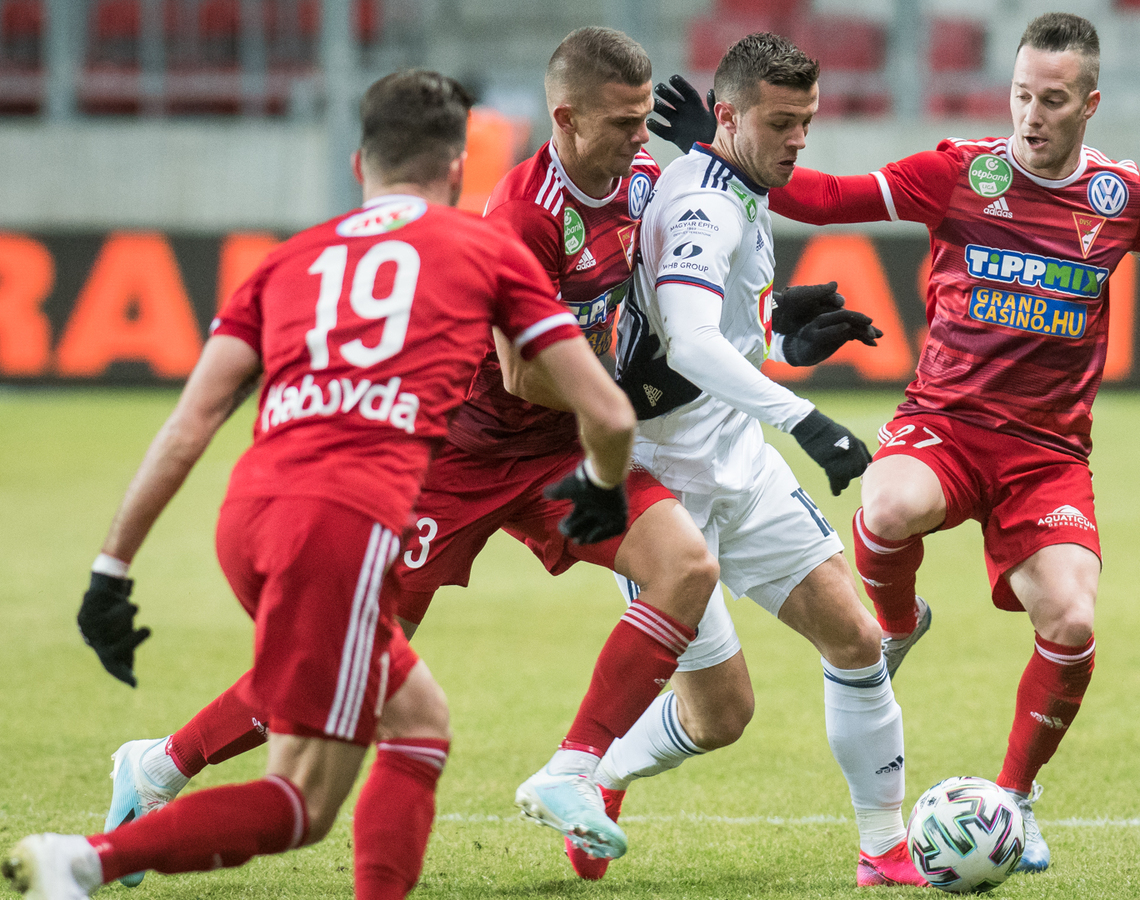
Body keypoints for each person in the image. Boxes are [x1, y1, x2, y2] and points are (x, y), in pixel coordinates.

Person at [649, 13, 1140, 875]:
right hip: (946, 422)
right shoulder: (960, 174)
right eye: (1020, 95)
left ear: (1090, 104)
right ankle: (898, 624)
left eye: (1052, 100)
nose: (1031, 115)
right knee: (885, 507)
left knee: (1073, 622)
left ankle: (1014, 800)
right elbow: (824, 199)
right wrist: (717, 152)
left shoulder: (1120, 198)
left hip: (1049, 454)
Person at [86, 27, 728, 880]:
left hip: (555, 453)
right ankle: (160, 764)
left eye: (645, 119)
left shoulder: (645, 175)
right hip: (458, 459)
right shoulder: (519, 216)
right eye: (622, 122)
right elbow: (522, 375)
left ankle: (575, 768)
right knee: (344, 664)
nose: (640, 138)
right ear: (566, 119)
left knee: (685, 567)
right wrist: (630, 393)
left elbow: (700, 256)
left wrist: (717, 181)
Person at [597, 31, 924, 888]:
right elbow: (690, 342)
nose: (799, 140)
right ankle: (603, 773)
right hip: (661, 484)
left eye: (807, 120)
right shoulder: (703, 206)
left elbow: (715, 327)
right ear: (729, 116)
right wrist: (806, 420)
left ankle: (885, 849)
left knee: (858, 639)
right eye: (781, 122)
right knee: (722, 716)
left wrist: (781, 335)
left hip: (737, 459)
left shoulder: (739, 186)